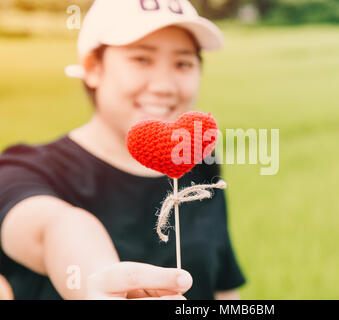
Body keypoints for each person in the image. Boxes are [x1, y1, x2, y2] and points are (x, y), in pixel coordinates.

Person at [0, 0, 245, 300]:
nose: (164, 86)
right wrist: (96, 282)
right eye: (142, 59)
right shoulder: (25, 168)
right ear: (92, 68)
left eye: (183, 63)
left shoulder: (198, 163)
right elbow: (56, 229)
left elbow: (222, 285)